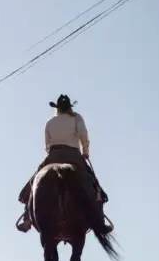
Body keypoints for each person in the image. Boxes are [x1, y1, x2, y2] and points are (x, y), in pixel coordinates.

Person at [16, 94, 109, 233]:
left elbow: (47, 145)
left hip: (54, 155)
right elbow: (84, 136)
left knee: (34, 181)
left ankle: (27, 218)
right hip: (74, 155)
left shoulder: (50, 122)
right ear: (69, 107)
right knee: (94, 183)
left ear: (57, 108)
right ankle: (100, 219)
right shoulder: (77, 118)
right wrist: (85, 151)